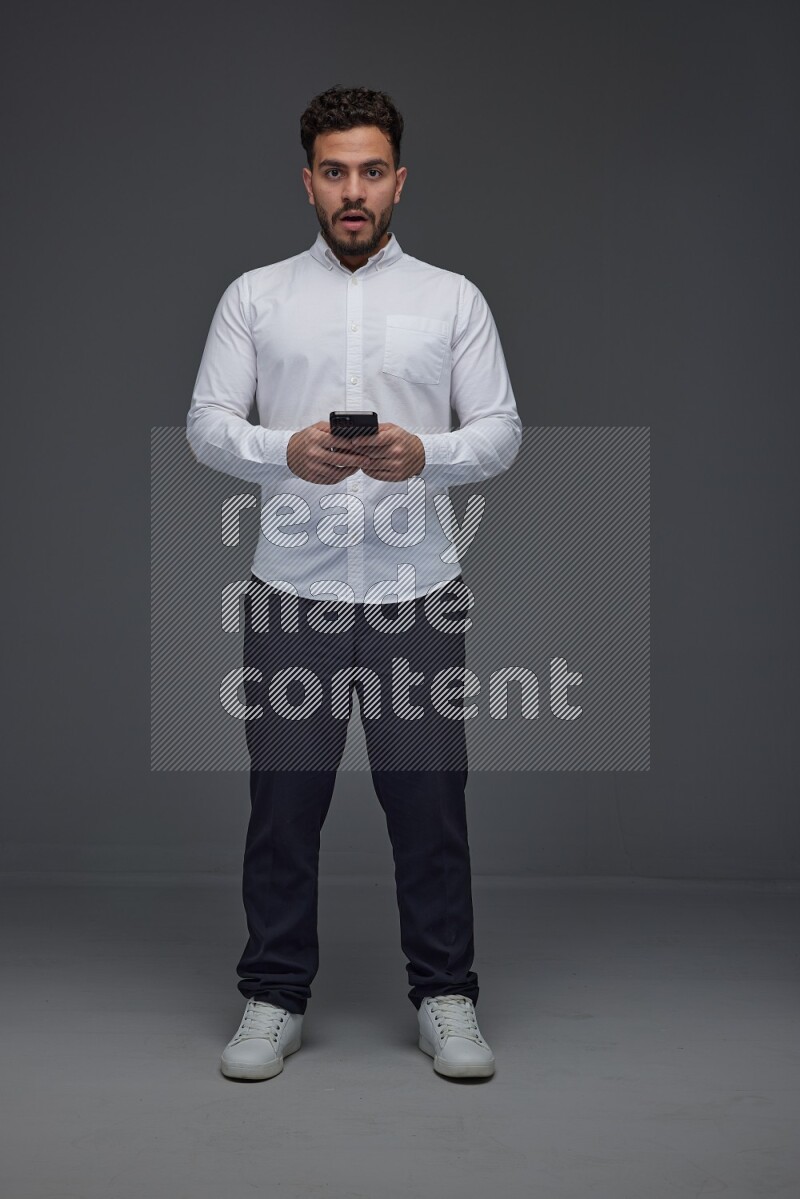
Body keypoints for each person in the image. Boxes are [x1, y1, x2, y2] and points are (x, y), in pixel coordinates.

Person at [186, 85, 522, 1081]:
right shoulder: (254, 296)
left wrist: (429, 453)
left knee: (427, 798)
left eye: (371, 170)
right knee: (282, 800)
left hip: (418, 587)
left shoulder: (451, 299)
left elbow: (499, 430)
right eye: (333, 170)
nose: (353, 189)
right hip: (291, 586)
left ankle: (445, 992)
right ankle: (271, 993)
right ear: (307, 182)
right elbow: (208, 422)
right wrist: (279, 448)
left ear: (398, 180)